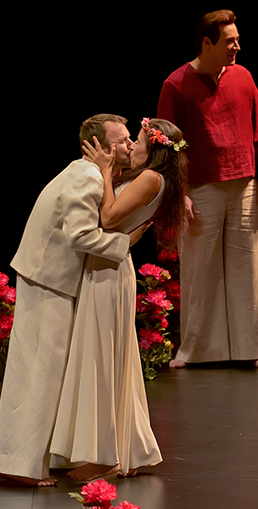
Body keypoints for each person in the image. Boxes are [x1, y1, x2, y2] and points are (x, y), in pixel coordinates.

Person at [0, 115, 148, 486]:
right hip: (48, 280)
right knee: (40, 373)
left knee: (49, 372)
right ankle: (20, 465)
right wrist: (126, 242)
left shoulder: (89, 173)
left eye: (130, 139)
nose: (129, 146)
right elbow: (80, 236)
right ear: (101, 147)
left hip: (51, 278)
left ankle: (43, 457)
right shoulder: (87, 176)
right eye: (122, 140)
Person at [50, 118, 187, 481]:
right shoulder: (149, 177)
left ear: (153, 149)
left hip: (108, 271)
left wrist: (105, 172)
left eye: (137, 141)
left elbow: (108, 219)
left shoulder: (150, 177)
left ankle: (104, 455)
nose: (131, 147)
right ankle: (125, 449)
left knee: (102, 358)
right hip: (108, 265)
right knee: (109, 357)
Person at [157, 9, 258, 370]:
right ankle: (194, 350)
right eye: (230, 41)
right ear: (207, 43)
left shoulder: (243, 76)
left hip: (243, 183)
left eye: (237, 40)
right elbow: (167, 144)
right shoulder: (176, 84)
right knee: (200, 269)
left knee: (248, 268)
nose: (237, 47)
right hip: (200, 188)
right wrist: (179, 192)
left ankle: (253, 348)